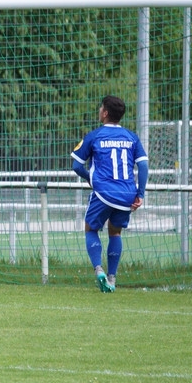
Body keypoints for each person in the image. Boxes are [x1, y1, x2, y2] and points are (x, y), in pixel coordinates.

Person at [71, 95, 148, 292]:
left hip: (103, 192)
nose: (99, 110)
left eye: (100, 108)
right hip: (126, 194)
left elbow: (76, 166)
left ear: (105, 113)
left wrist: (91, 179)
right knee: (115, 232)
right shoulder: (131, 137)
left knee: (91, 229)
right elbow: (143, 166)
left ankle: (99, 270)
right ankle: (112, 279)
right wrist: (140, 194)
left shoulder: (95, 136)